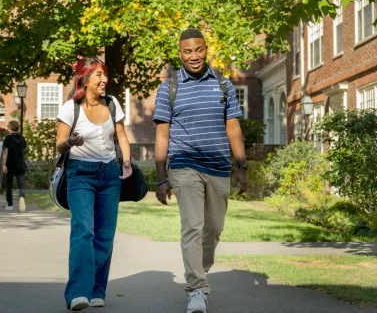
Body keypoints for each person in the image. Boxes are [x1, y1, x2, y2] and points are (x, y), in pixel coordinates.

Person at [153, 28, 248, 313]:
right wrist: (161, 177)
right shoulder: (169, 88)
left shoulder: (223, 84)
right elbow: (161, 135)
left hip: (218, 166)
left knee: (214, 229)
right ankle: (197, 288)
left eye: (199, 50)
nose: (193, 56)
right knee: (192, 226)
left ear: (206, 49)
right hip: (184, 165)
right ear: (180, 53)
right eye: (187, 51)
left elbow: (233, 128)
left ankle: (199, 273)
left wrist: (241, 166)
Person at [56, 57, 133, 311]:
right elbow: (59, 144)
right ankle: (78, 292)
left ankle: (97, 289)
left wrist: (127, 162)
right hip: (80, 174)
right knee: (84, 230)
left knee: (105, 235)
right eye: (99, 75)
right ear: (85, 79)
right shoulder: (70, 108)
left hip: (110, 174)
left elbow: (121, 136)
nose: (105, 80)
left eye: (105, 74)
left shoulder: (112, 104)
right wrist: (70, 143)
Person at [1, 120, 27, 212]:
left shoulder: (7, 138)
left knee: (9, 185)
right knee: (21, 184)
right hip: (20, 163)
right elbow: (23, 148)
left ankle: (10, 205)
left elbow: (5, 152)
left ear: (9, 128)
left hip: (10, 164)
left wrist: (4, 165)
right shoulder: (22, 138)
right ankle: (22, 200)